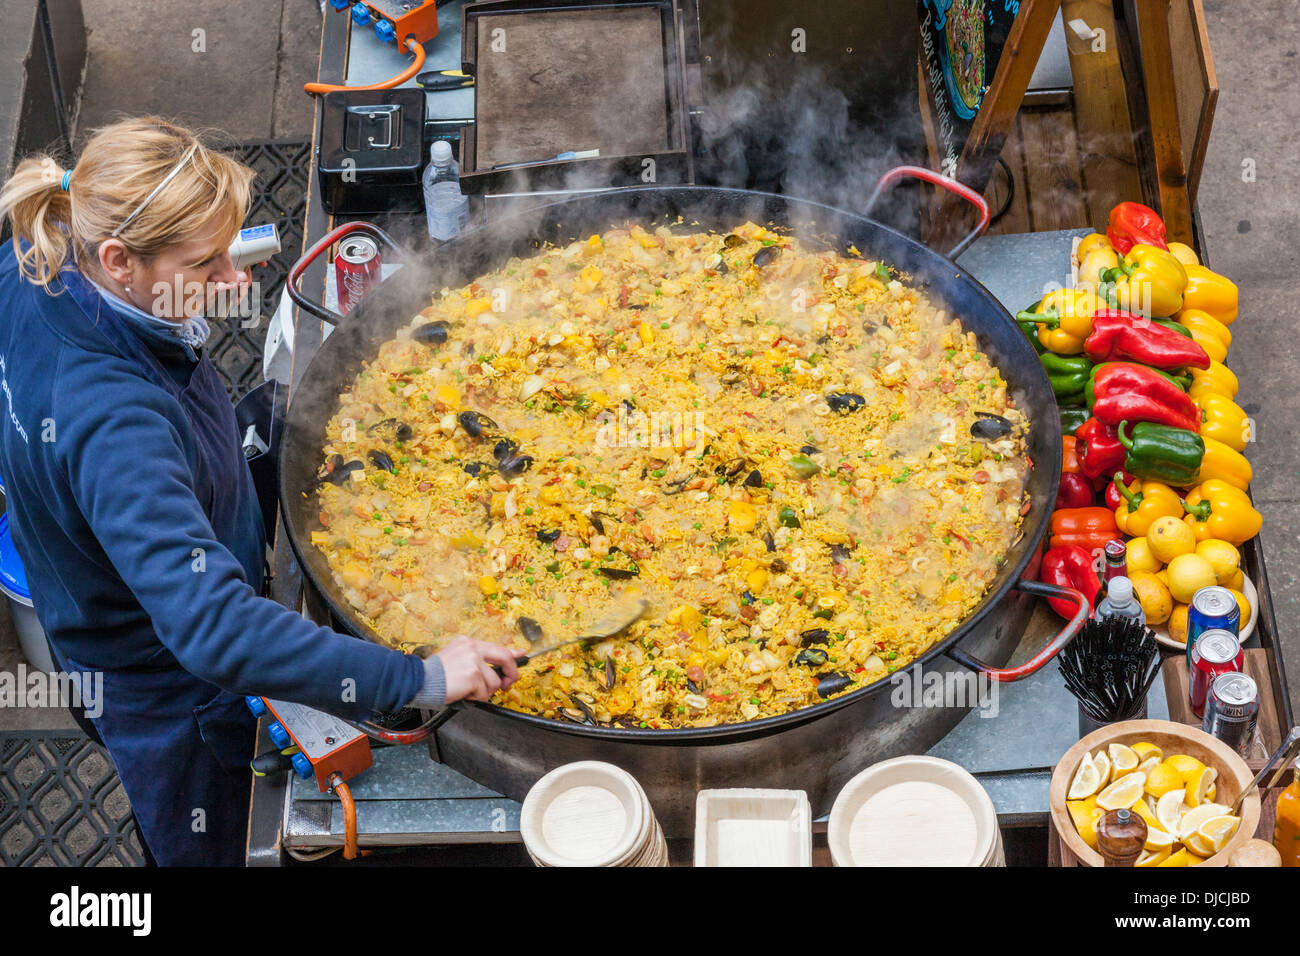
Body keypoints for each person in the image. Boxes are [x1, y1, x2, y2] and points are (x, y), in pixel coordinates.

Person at [0, 117, 520, 866]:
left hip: (103, 584)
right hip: (171, 688)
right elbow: (211, 628)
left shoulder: (38, 246)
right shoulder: (113, 425)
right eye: (208, 264)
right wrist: (424, 675)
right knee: (213, 842)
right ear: (117, 260)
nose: (237, 284)